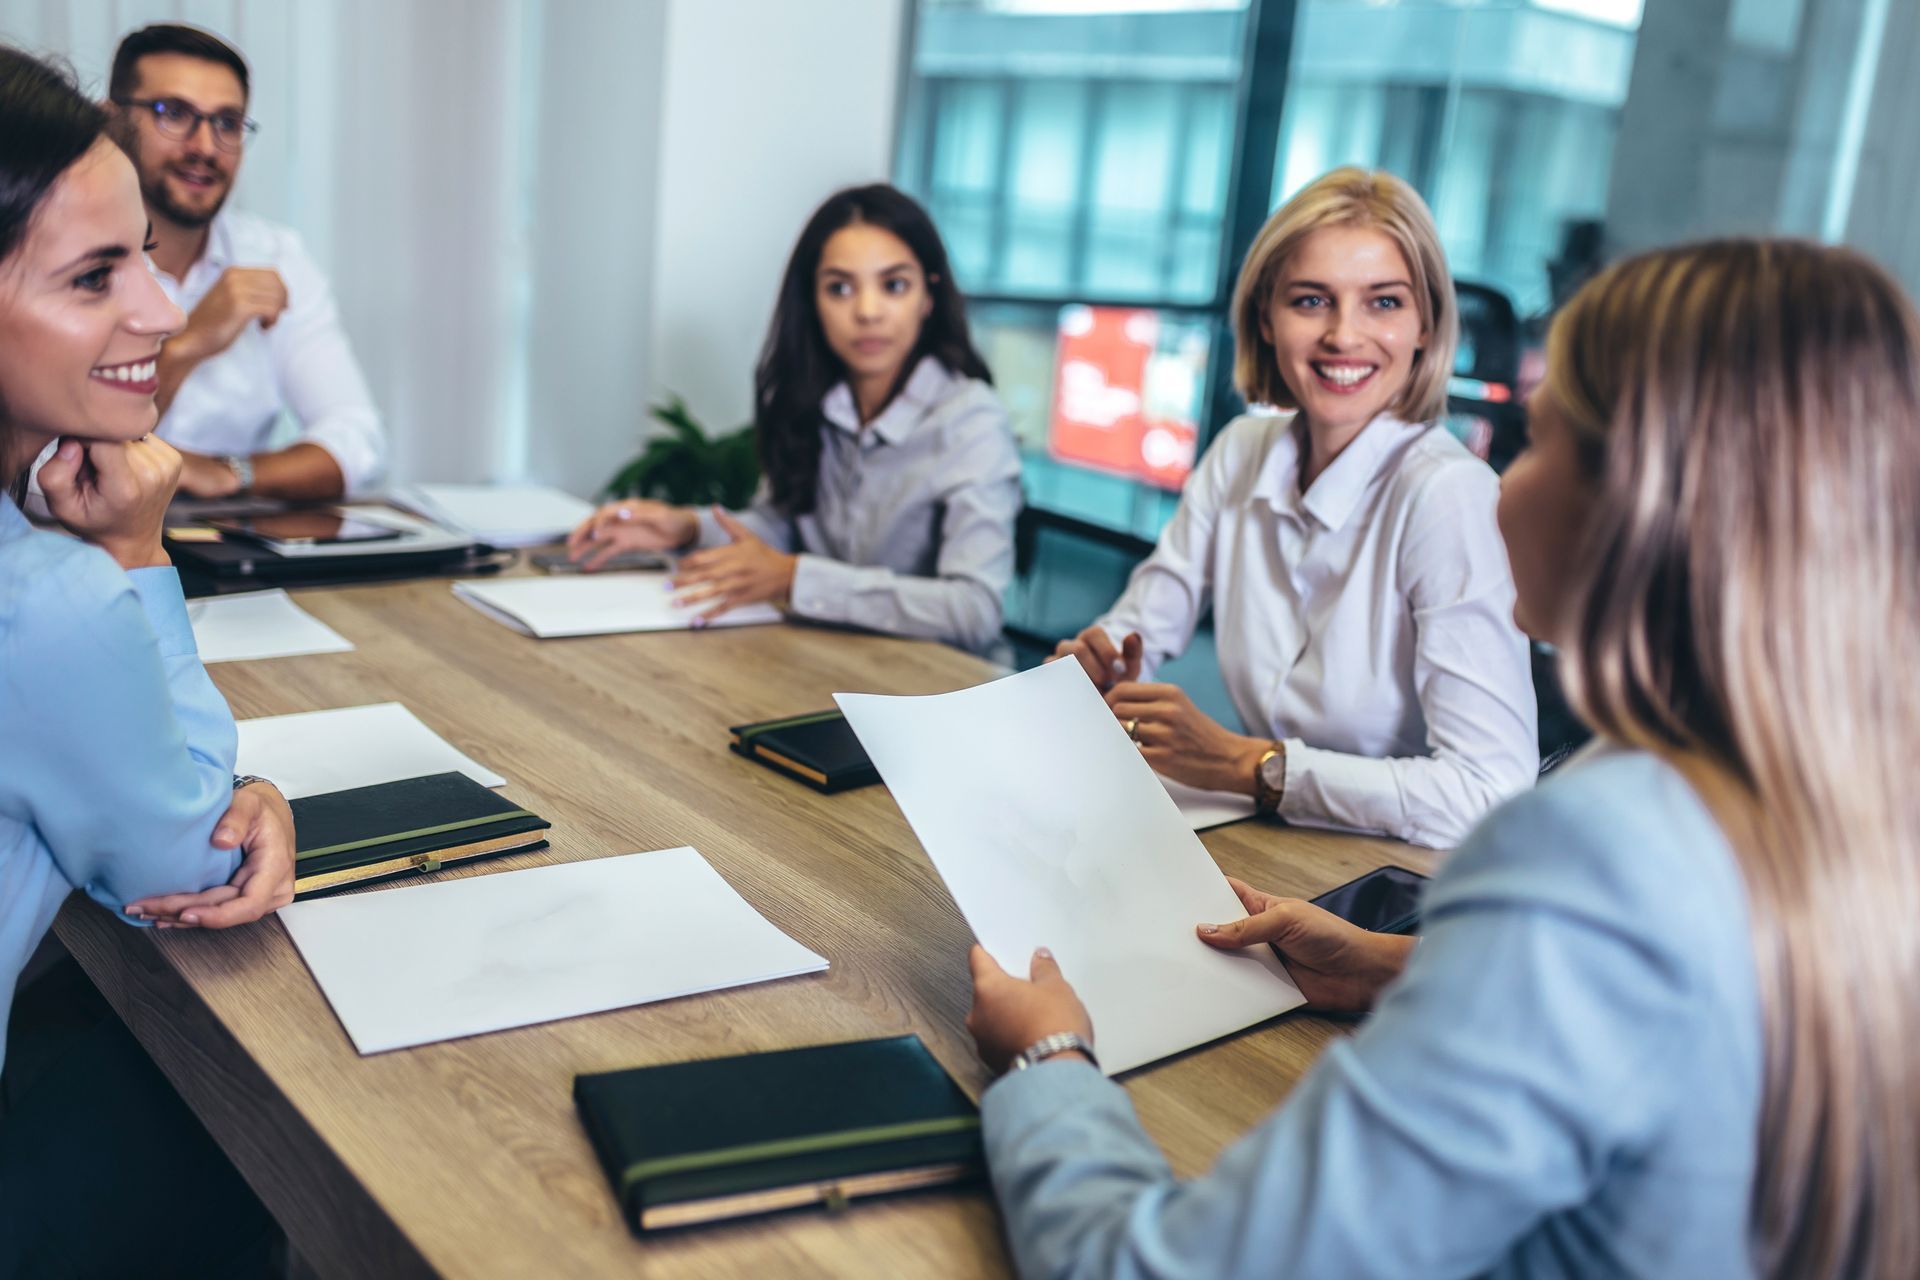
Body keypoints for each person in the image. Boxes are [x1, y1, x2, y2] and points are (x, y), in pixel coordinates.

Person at [965, 238, 1920, 1278]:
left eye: (1538, 440)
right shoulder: (1837, 795)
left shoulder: (1596, 846)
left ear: (1643, 503)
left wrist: (1049, 1057)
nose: (1501, 482)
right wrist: (1390, 965)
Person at [0, 46, 296, 1274]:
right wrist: (134, 550)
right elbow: (188, 858)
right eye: (92, 276)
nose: (167, 312)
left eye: (144, 258)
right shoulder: (46, 597)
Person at [1054, 168, 1536, 849]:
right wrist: (1099, 666)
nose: (1344, 335)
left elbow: (1491, 797)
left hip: (1396, 885)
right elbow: (1141, 627)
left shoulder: (1448, 496)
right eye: (1311, 301)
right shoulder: (1242, 451)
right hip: (1270, 843)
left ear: (1425, 325)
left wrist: (1247, 764)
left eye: (1384, 303)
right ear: (1265, 319)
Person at [567, 184, 1021, 655]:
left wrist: (794, 579)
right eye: (840, 288)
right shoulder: (814, 398)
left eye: (894, 285)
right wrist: (688, 528)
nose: (867, 312)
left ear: (929, 297)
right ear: (813, 301)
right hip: (824, 660)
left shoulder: (971, 421)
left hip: (937, 689)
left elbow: (976, 610)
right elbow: (780, 525)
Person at [104, 23, 386, 501]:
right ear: (111, 121)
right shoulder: (68, 258)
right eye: (174, 113)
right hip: (89, 544)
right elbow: (62, 463)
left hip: (231, 540)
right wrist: (188, 343)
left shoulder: (275, 256)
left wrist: (229, 472)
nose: (205, 147)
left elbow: (359, 440)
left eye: (227, 123)